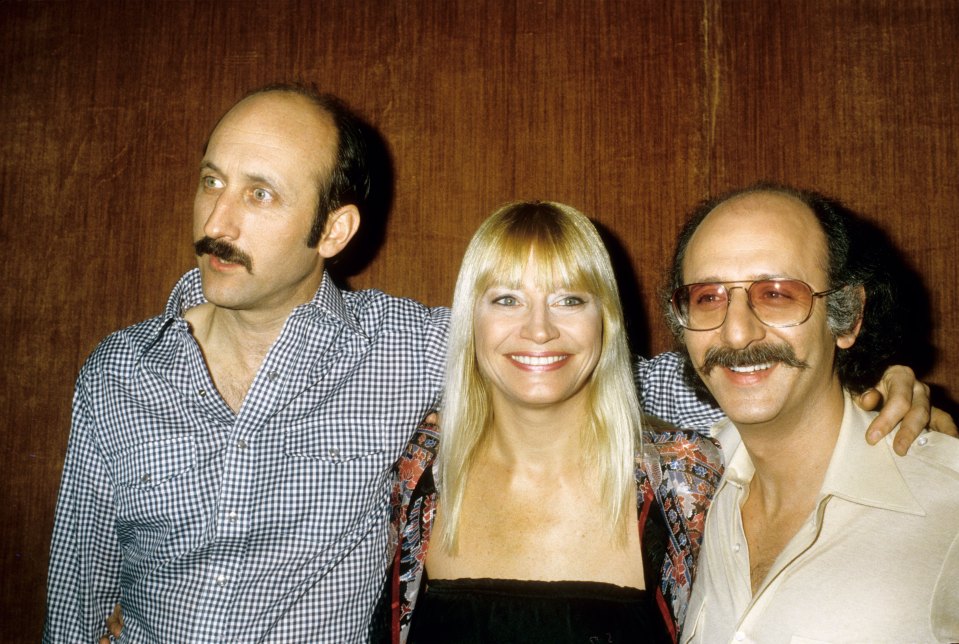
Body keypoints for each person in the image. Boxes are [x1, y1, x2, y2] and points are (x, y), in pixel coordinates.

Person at [42, 83, 948, 643]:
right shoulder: (119, 377)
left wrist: (877, 381)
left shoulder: (409, 350)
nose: (221, 219)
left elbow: (698, 364)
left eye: (262, 193)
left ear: (335, 228)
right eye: (212, 179)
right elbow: (73, 604)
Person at [386, 201, 722, 643]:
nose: (539, 329)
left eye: (570, 299)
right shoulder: (424, 464)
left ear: (605, 319)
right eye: (507, 299)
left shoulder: (684, 479)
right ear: (470, 321)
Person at [667, 184, 959, 642]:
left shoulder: (948, 507)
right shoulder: (683, 485)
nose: (738, 332)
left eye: (778, 294)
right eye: (708, 297)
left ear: (848, 317)